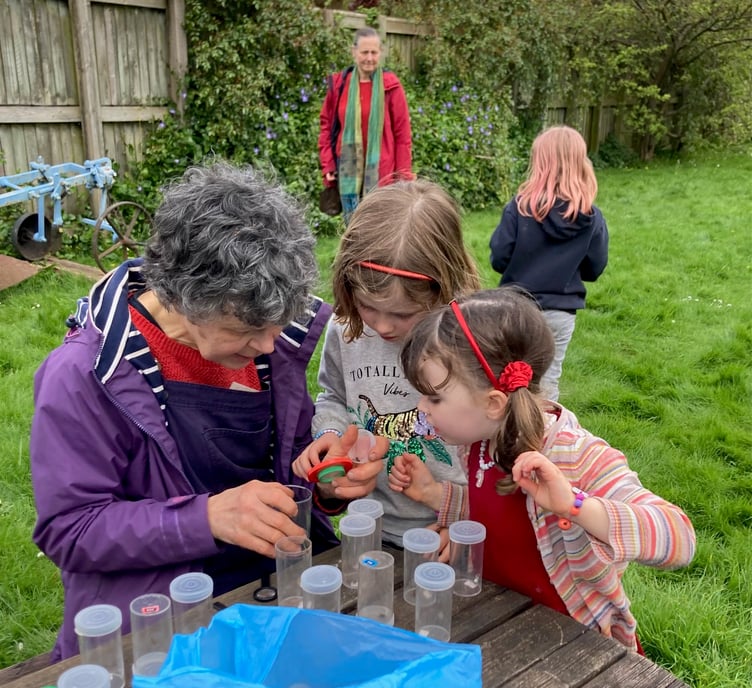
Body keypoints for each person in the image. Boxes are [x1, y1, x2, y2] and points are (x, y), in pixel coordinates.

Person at [29, 162, 380, 661]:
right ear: (183, 295)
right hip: (158, 618)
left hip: (279, 587)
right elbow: (71, 530)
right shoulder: (84, 374)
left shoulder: (266, 338)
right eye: (246, 329)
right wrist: (206, 517)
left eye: (276, 323)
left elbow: (285, 466)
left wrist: (322, 483)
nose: (267, 345)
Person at [390, 287, 696, 652]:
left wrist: (575, 505)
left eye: (434, 397)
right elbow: (500, 515)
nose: (422, 408)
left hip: (574, 645)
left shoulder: (572, 454)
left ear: (492, 402)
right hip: (500, 620)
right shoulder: (478, 441)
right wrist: (436, 495)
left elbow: (680, 539)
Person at [292, 179, 480, 547]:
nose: (380, 325)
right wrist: (329, 434)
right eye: (367, 306)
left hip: (451, 529)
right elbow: (333, 394)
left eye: (402, 313)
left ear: (443, 289)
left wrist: (462, 521)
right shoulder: (346, 329)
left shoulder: (470, 340)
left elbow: (497, 445)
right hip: (373, 527)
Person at [489, 125, 609, 401]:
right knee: (547, 382)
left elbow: (499, 258)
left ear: (539, 163)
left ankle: (503, 435)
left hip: (516, 310)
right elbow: (595, 267)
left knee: (508, 377)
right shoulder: (591, 217)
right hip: (560, 313)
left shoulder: (519, 208)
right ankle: (541, 438)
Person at [318, 26, 413, 223]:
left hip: (383, 176)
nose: (369, 58)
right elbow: (326, 126)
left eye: (374, 52)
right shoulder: (338, 85)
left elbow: (402, 135)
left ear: (380, 53)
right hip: (347, 175)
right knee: (353, 230)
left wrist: (403, 178)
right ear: (354, 53)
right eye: (364, 52)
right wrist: (327, 164)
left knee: (380, 233)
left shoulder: (391, 86)